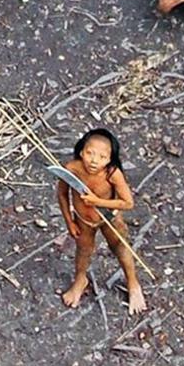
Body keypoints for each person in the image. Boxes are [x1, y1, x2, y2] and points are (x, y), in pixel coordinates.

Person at [56, 128, 146, 315]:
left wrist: (98, 202)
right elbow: (62, 194)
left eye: (102, 157)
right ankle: (81, 280)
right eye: (90, 153)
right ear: (81, 152)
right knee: (83, 251)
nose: (94, 161)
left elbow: (128, 202)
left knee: (120, 247)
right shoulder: (72, 169)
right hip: (83, 221)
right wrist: (69, 221)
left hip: (109, 217)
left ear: (110, 159)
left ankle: (133, 283)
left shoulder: (112, 173)